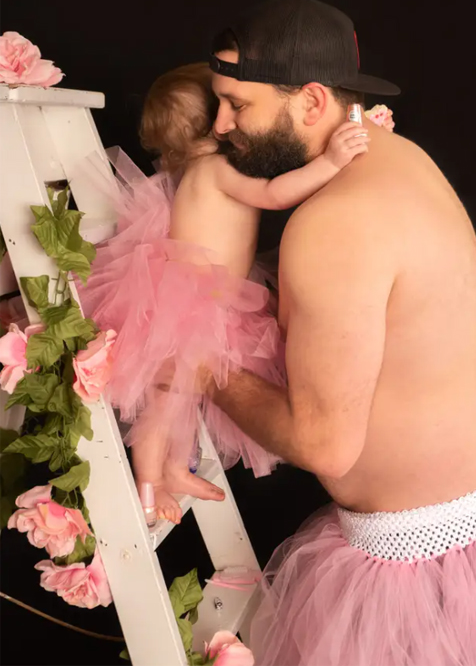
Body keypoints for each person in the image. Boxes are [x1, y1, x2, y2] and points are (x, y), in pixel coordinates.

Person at [204, 0, 476, 665]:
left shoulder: (333, 222)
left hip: (432, 566)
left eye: (237, 105)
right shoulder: (399, 157)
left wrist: (197, 367)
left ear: (311, 101)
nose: (219, 126)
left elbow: (323, 443)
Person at [78, 61, 386, 524]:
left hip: (211, 299)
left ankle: (170, 470)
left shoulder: (207, 169)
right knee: (165, 404)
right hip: (191, 302)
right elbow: (276, 194)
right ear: (215, 126)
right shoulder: (215, 170)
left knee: (178, 397)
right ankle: (148, 483)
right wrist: (331, 161)